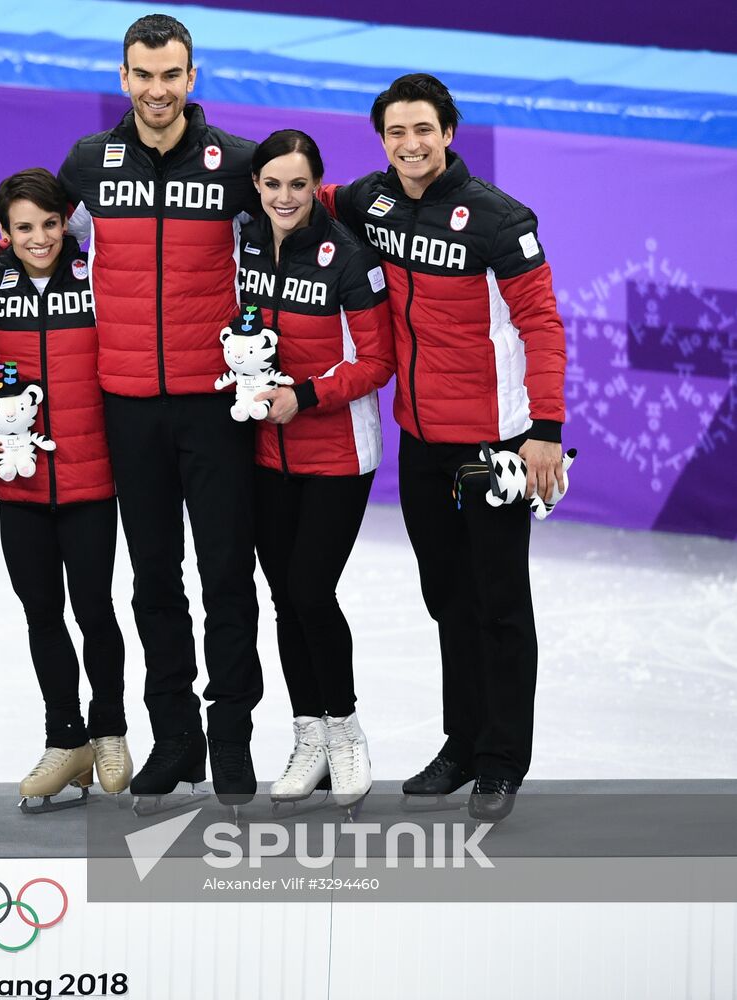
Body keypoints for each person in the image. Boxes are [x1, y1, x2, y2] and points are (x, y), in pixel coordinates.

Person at [318, 73, 567, 822]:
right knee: (446, 600)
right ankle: (461, 745)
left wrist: (546, 431)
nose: (409, 144)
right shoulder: (372, 201)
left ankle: (500, 762)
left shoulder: (498, 220)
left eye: (422, 129)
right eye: (395, 132)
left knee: (498, 606)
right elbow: (298, 197)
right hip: (419, 439)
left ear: (448, 132)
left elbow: (542, 327)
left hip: (494, 445)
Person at [58, 13, 263, 803]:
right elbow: (41, 243)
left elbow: (293, 229)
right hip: (127, 406)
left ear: (192, 76)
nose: (156, 90)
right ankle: (174, 738)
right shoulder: (88, 163)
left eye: (170, 74)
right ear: (122, 78)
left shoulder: (236, 165)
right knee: (151, 580)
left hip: (213, 405)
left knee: (224, 577)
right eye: (142, 76)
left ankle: (232, 737)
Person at [234, 130, 394, 811]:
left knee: (308, 589)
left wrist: (304, 395)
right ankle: (307, 738)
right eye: (271, 184)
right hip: (264, 456)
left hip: (337, 455)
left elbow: (375, 360)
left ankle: (345, 729)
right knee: (282, 598)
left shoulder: (348, 256)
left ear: (316, 185)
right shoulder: (240, 241)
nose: (283, 197)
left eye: (296, 185)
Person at [0, 168, 130, 811]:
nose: (40, 239)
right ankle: (66, 738)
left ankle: (110, 730)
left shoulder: (98, 276)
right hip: (21, 483)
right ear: (4, 233)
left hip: (92, 478)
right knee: (42, 613)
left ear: (68, 222)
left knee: (94, 608)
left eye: (50, 224)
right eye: (24, 228)